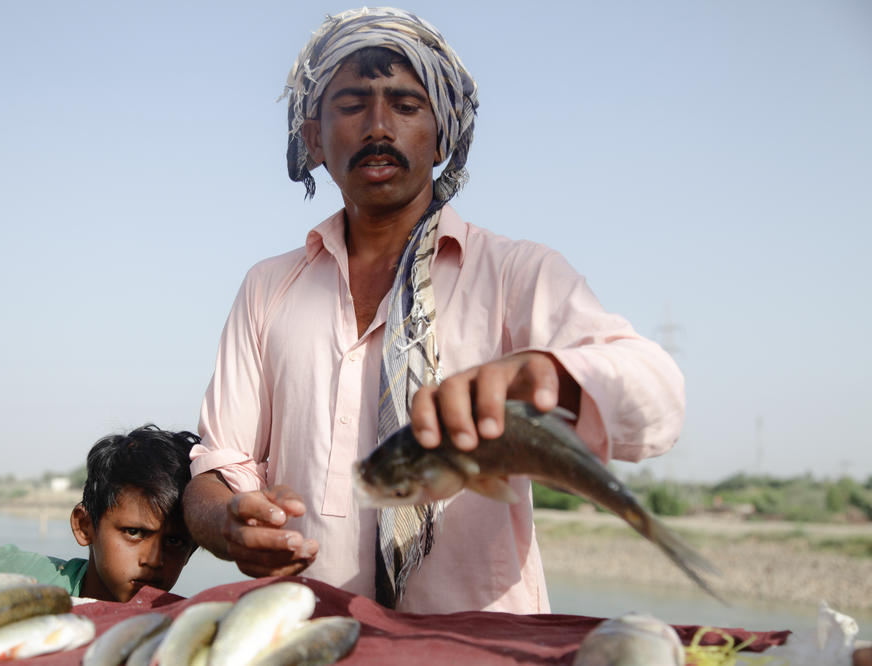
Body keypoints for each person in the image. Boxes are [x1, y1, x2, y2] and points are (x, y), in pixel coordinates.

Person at [182, 7, 685, 614]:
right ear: (313, 137)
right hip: (309, 638)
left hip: (479, 645)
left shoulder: (515, 273)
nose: (378, 126)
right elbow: (215, 467)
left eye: (406, 104)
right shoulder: (268, 288)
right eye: (350, 105)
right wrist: (226, 524)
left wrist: (547, 374)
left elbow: (659, 400)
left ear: (443, 134)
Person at [0, 425, 199, 603]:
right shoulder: (26, 576)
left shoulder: (179, 618)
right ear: (85, 526)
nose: (153, 560)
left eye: (173, 541)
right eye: (134, 532)